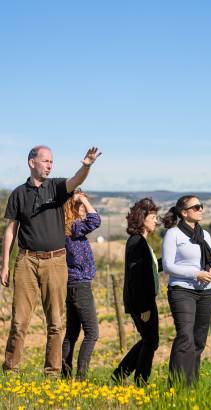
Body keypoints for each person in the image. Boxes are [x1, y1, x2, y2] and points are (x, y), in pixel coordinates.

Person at [1, 145, 101, 376]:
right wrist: (5, 264)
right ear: (31, 162)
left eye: (51, 162)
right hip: (26, 261)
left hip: (56, 262)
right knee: (19, 322)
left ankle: (52, 372)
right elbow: (10, 231)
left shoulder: (56, 187)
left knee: (55, 322)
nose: (49, 165)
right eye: (45, 161)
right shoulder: (18, 193)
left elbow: (76, 180)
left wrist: (86, 165)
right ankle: (10, 370)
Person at [162, 195, 211, 386]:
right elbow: (168, 266)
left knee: (199, 340)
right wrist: (196, 274)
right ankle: (176, 385)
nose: (200, 209)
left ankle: (191, 385)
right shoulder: (174, 234)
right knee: (185, 336)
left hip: (206, 291)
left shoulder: (205, 235)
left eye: (201, 206)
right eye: (196, 207)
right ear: (184, 212)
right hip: (182, 290)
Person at [112, 198, 162, 386]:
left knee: (150, 339)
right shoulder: (136, 242)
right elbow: (137, 276)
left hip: (144, 300)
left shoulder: (140, 242)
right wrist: (144, 306)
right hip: (142, 302)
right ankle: (140, 381)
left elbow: (150, 268)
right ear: (142, 218)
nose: (156, 221)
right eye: (153, 217)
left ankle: (120, 374)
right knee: (150, 341)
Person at [62, 190, 101, 380]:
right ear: (71, 208)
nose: (84, 209)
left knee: (72, 333)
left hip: (71, 285)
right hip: (80, 285)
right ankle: (80, 378)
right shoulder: (74, 227)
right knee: (92, 333)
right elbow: (96, 220)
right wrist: (82, 198)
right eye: (79, 206)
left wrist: (80, 201)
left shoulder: (65, 229)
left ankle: (65, 375)